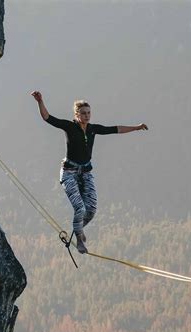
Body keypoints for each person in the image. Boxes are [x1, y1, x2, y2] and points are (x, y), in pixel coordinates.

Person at [31, 91, 148, 254]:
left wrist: (136, 128)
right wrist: (40, 101)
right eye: (83, 113)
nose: (87, 116)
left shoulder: (93, 129)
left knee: (91, 210)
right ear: (76, 114)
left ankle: (78, 228)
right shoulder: (69, 127)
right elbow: (48, 118)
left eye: (89, 113)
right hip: (69, 172)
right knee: (80, 208)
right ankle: (79, 239)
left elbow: (116, 129)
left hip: (85, 172)